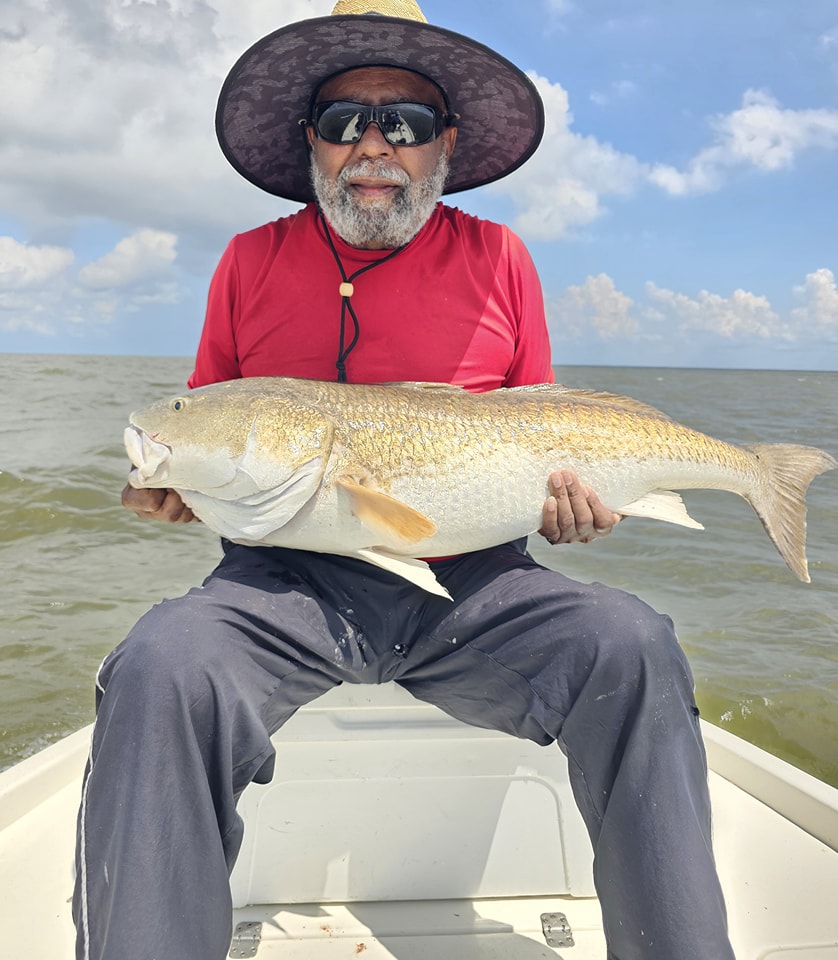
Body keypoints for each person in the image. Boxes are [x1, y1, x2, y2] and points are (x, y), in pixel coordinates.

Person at [73, 3, 736, 959]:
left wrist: (574, 512)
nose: (373, 147)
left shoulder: (502, 257)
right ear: (311, 142)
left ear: (446, 146)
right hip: (281, 581)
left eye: (407, 124)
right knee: (158, 666)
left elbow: (540, 429)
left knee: (633, 647)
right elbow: (208, 420)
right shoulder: (245, 261)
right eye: (345, 122)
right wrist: (178, 486)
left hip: (477, 582)